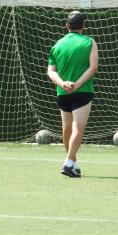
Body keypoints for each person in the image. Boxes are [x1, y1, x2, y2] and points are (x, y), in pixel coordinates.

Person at [47, 11, 98, 178]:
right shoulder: (89, 41)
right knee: (78, 128)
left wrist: (63, 83)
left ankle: (73, 164)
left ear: (66, 25)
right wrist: (77, 84)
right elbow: (93, 68)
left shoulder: (57, 45)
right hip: (82, 91)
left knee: (67, 128)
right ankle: (69, 162)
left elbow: (51, 71)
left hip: (62, 92)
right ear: (83, 25)